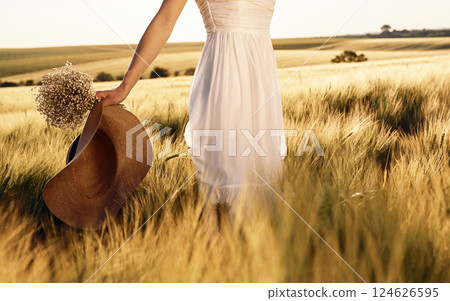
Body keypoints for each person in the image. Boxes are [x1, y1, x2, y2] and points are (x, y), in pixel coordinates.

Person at [96, 0, 286, 228]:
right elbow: (164, 22)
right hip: (223, 77)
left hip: (262, 81)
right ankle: (216, 253)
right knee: (225, 177)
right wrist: (125, 87)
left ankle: (252, 257)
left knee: (262, 183)